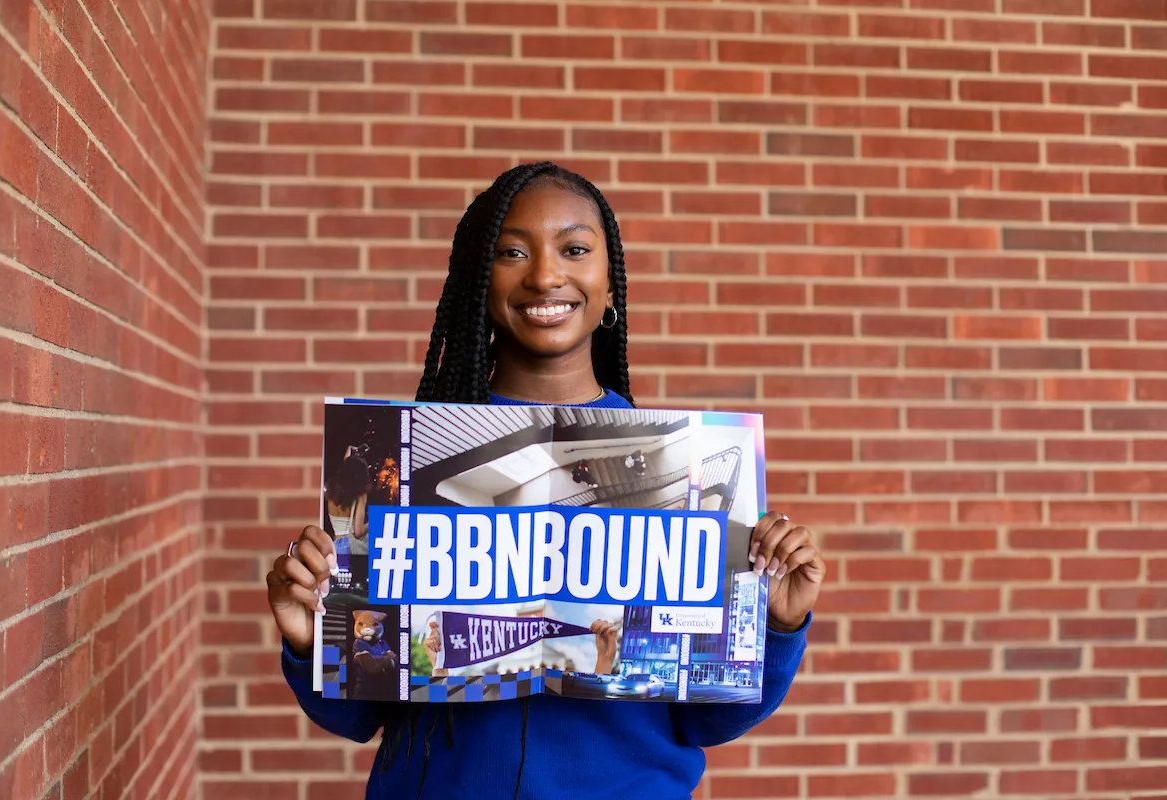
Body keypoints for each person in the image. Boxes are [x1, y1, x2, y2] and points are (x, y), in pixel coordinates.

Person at [265, 162, 827, 799]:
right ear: (480, 282)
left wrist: (777, 629)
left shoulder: (685, 475)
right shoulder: (405, 468)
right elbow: (356, 714)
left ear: (609, 285)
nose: (545, 274)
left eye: (575, 249)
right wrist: (310, 635)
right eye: (512, 251)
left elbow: (707, 717)